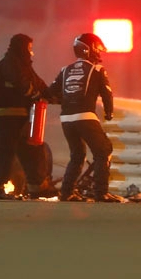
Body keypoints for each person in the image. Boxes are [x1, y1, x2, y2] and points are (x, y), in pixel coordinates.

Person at [41, 32, 118, 202]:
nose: (99, 54)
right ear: (90, 49)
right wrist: (109, 112)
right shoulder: (97, 69)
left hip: (66, 120)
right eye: (98, 50)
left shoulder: (65, 70)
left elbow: (48, 93)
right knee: (103, 151)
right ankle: (101, 193)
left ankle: (66, 193)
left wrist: (65, 100)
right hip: (86, 117)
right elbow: (107, 93)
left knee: (77, 155)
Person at [0, 33, 49, 199]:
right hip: (2, 115)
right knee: (6, 151)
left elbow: (39, 84)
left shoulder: (24, 66)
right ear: (21, 48)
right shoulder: (9, 63)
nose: (31, 52)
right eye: (29, 48)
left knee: (31, 150)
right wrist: (35, 94)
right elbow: (22, 84)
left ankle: (37, 187)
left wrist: (55, 94)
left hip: (19, 115)